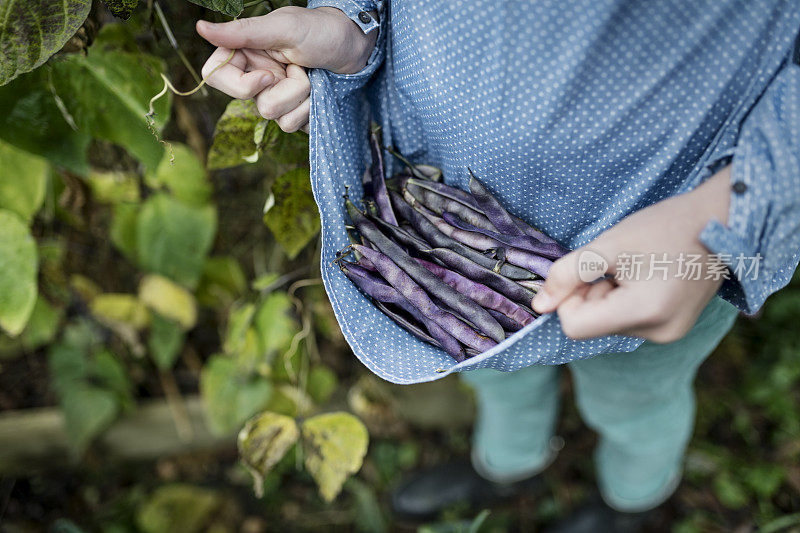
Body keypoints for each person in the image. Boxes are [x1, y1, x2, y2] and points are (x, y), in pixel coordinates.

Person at [196, 2, 800, 530]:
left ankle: (632, 499)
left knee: (637, 399)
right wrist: (353, 22)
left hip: (665, 239)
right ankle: (512, 467)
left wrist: (731, 209)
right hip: (431, 207)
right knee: (491, 373)